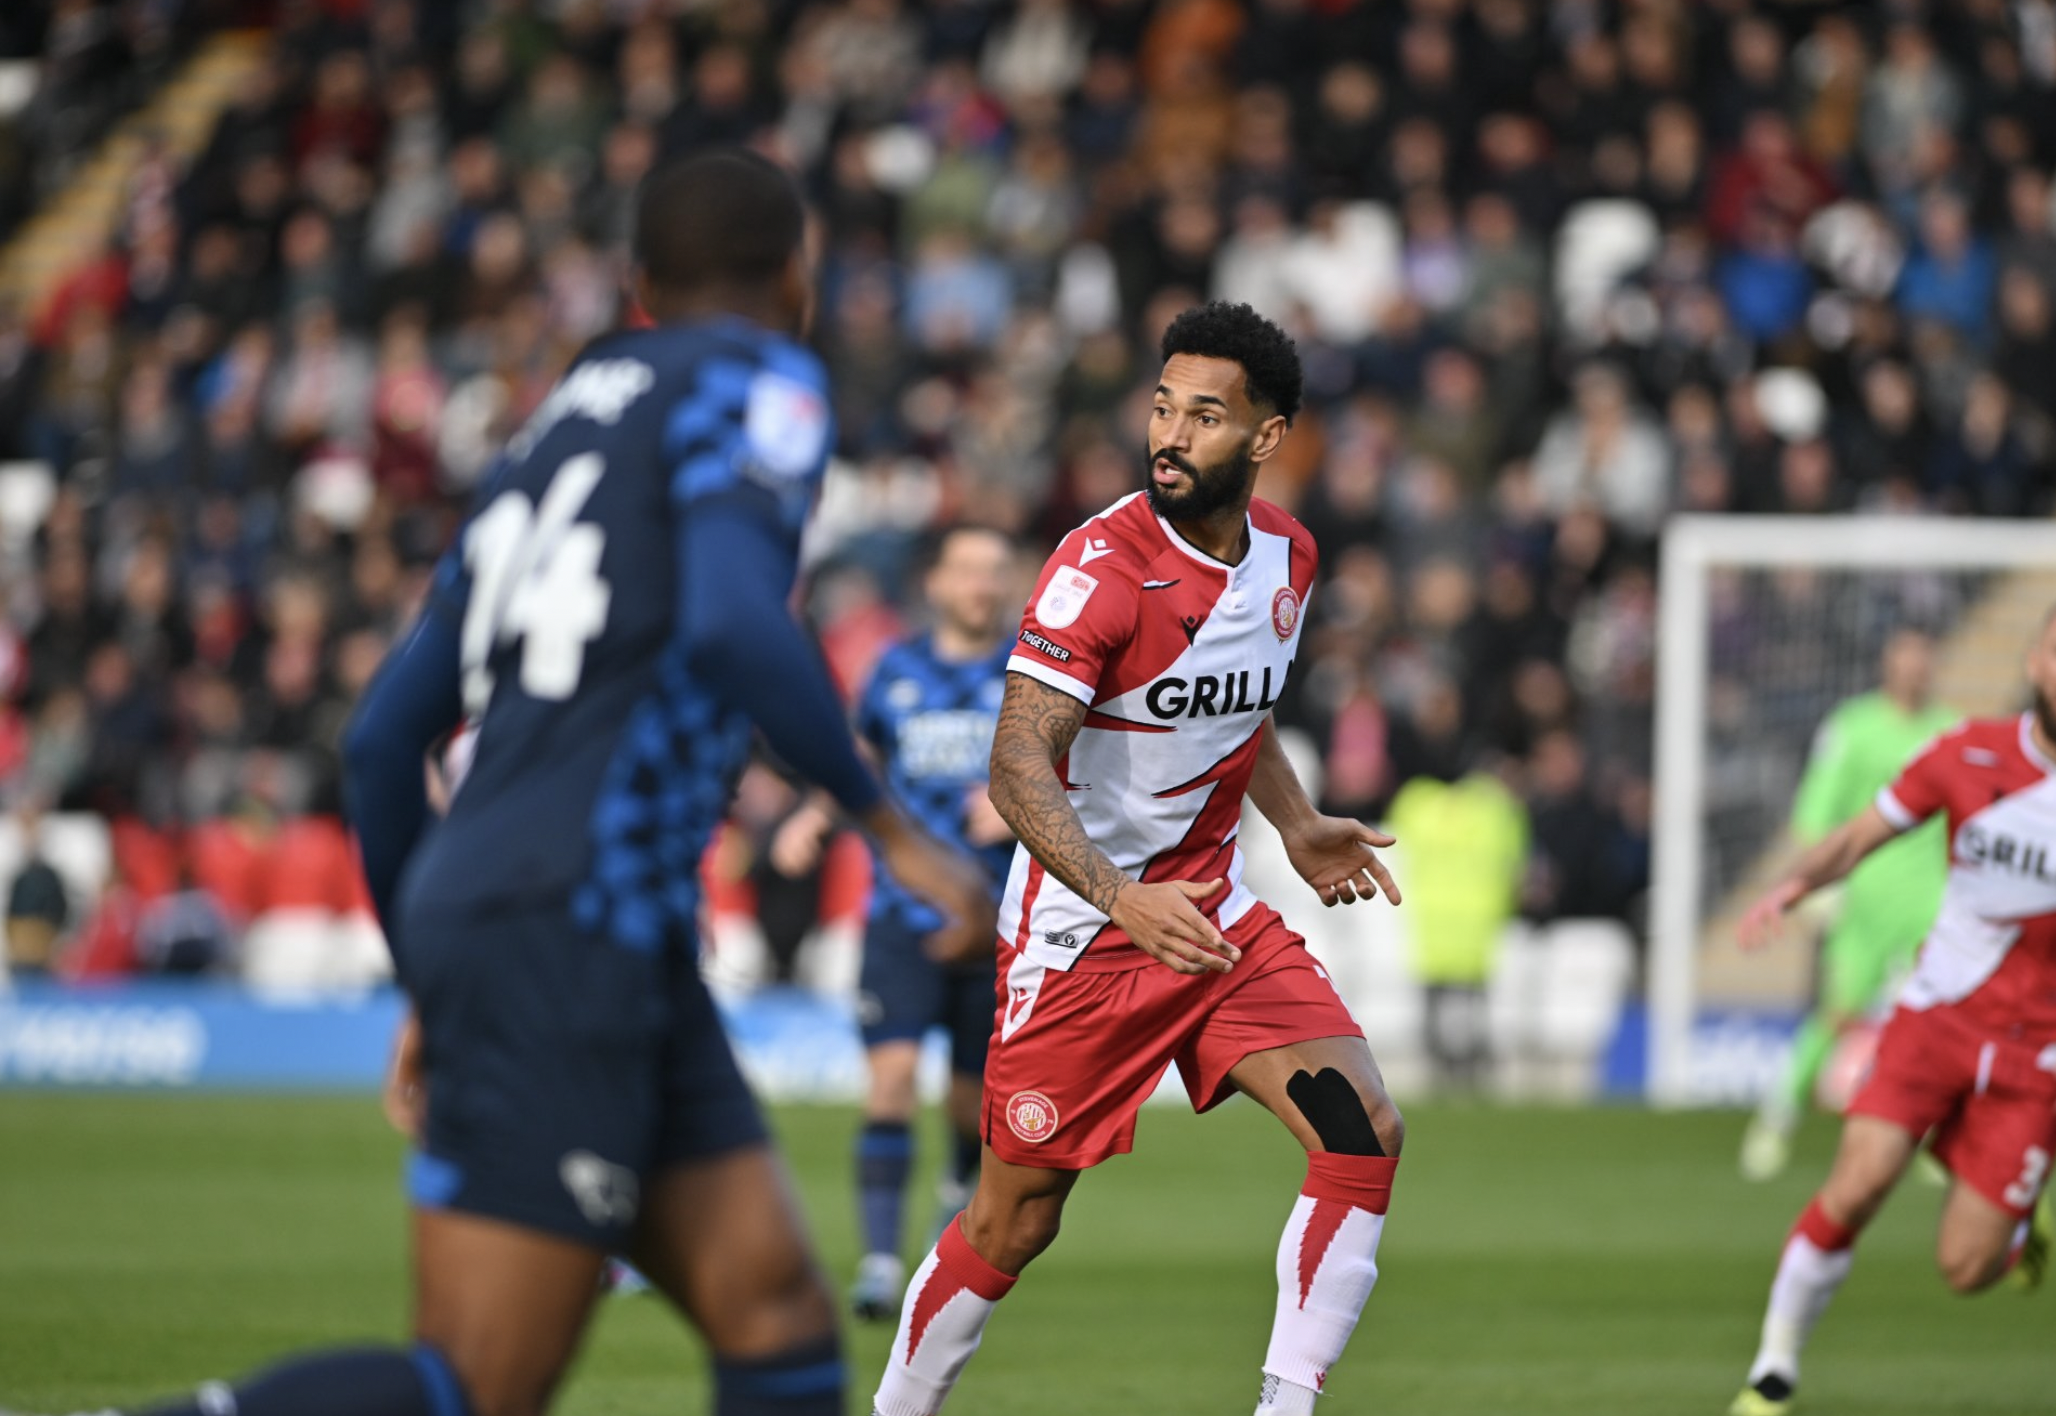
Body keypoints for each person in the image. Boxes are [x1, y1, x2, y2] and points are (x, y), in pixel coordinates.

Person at [88, 150, 993, 1416]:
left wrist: (433, 973)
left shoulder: (552, 430)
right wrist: (887, 826)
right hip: (575, 917)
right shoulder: (761, 379)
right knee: (479, 1381)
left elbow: (379, 742)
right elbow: (738, 622)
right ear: (795, 276)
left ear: (636, 285)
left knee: (777, 1314)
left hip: (558, 925)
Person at [868, 302, 1407, 1416]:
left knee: (1363, 1131)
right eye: (1162, 408)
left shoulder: (1290, 559)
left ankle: (1284, 1405)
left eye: (1204, 416)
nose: (1169, 434)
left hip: (1210, 922)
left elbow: (1233, 710)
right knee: (1012, 1222)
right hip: (1081, 939)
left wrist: (1296, 823)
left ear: (1266, 437)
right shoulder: (1100, 570)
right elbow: (1015, 764)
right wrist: (1119, 895)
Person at [1724, 610, 2056, 1416]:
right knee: (1860, 1180)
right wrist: (1797, 885)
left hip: (2037, 1057)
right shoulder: (1967, 751)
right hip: (1937, 1018)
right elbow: (1861, 831)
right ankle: (1774, 1369)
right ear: (2038, 657)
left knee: (1965, 1268)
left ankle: (2013, 1225)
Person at [774, 526, 1017, 1321]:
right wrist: (814, 813)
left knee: (965, 1099)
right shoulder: (895, 671)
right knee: (888, 1081)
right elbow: (860, 761)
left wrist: (1016, 801)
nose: (982, 585)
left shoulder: (1032, 672)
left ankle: (953, 1194)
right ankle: (879, 1263)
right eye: (968, 569)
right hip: (900, 914)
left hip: (993, 919)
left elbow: (1083, 770)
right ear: (937, 583)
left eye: (993, 571)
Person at [1739, 626, 1957, 1181]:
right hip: (1865, 899)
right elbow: (1815, 814)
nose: (1915, 668)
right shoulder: (1852, 728)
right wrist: (1819, 884)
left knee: (1933, 1024)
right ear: (1888, 662)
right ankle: (1777, 1115)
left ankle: (1930, 1136)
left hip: (1931, 899)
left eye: (1923, 657)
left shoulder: (1950, 732)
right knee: (1838, 1014)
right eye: (1905, 656)